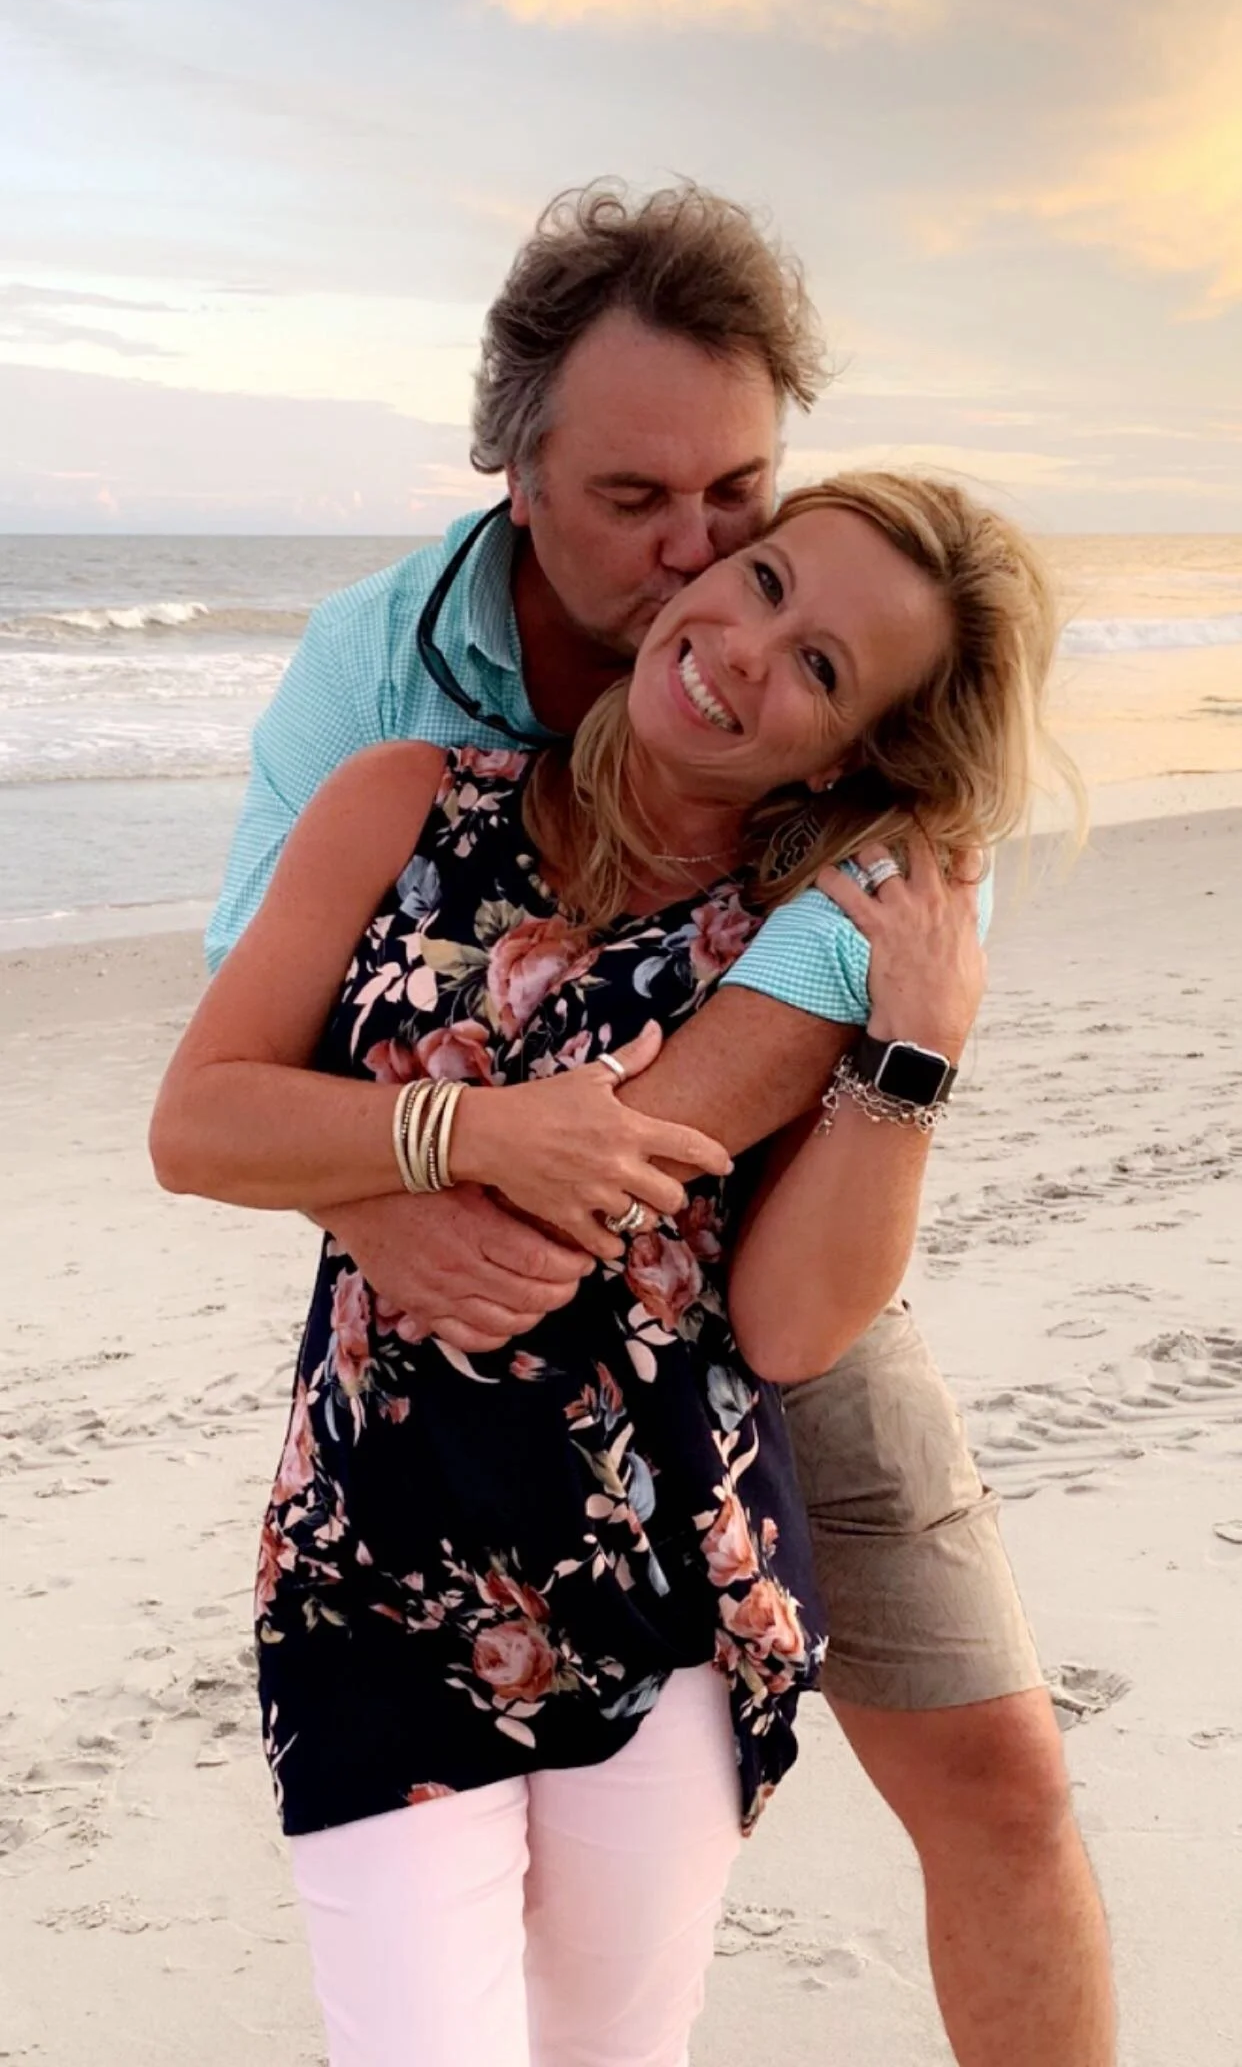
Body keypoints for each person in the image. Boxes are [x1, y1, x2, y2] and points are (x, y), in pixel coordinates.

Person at [200, 185, 1114, 2066]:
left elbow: (790, 1041)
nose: (702, 551)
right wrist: (426, 1174)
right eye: (638, 501)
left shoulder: (862, 722)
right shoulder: (382, 689)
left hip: (763, 1238)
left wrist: (546, 1168)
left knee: (999, 1787)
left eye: (742, 494)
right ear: (512, 471)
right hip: (417, 1287)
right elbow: (242, 1047)